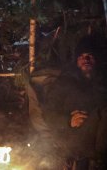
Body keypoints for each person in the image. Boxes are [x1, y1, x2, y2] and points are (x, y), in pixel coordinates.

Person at [43, 35, 107, 168]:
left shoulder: (103, 81)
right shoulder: (64, 82)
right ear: (76, 61)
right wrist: (68, 121)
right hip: (76, 134)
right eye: (81, 56)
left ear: (96, 59)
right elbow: (48, 112)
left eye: (90, 55)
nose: (86, 59)